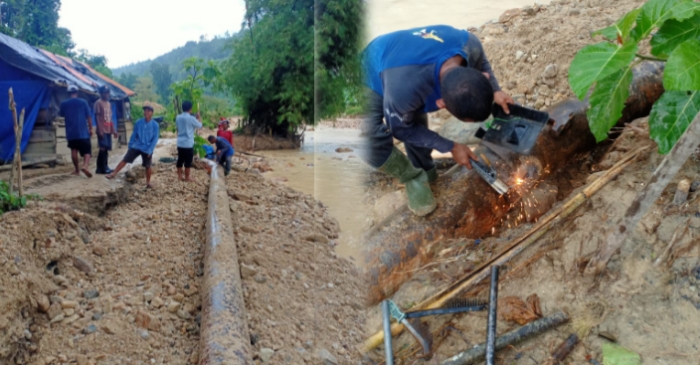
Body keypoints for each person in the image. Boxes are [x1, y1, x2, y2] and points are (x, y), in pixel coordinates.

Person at [361, 25, 514, 216]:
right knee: (368, 136)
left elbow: (482, 62)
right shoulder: (404, 90)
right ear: (440, 103)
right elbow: (400, 129)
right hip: (373, 68)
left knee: (412, 115)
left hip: (411, 65)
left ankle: (426, 168)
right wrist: (451, 146)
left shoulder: (469, 45)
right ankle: (412, 177)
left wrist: (496, 90)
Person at [106, 104, 160, 188]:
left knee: (148, 166)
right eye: (145, 111)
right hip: (137, 146)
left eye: (148, 111)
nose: (146, 112)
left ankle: (148, 183)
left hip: (147, 148)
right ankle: (113, 173)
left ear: (152, 113)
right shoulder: (138, 122)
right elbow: (134, 135)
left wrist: (150, 150)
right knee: (125, 159)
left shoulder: (155, 125)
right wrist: (130, 145)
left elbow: (155, 139)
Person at [59, 85, 93, 178]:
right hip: (83, 132)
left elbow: (61, 114)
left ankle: (77, 170)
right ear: (77, 93)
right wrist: (90, 128)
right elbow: (89, 116)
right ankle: (85, 166)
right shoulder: (83, 102)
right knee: (87, 151)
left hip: (71, 132)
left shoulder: (64, 103)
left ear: (68, 93)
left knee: (74, 150)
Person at [175, 100, 202, 182]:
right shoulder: (191, 118)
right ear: (190, 108)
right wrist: (198, 118)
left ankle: (179, 176)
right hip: (188, 143)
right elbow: (200, 126)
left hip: (180, 142)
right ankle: (187, 177)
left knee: (180, 159)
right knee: (188, 161)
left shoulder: (178, 117)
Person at [94, 85, 118, 174]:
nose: (106, 94)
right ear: (100, 93)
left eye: (107, 92)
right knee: (103, 148)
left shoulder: (109, 104)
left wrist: (114, 130)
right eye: (104, 92)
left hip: (108, 129)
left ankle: (104, 167)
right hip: (102, 129)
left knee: (106, 148)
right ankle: (101, 167)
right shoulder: (98, 103)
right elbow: (97, 117)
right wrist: (99, 130)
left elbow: (110, 118)